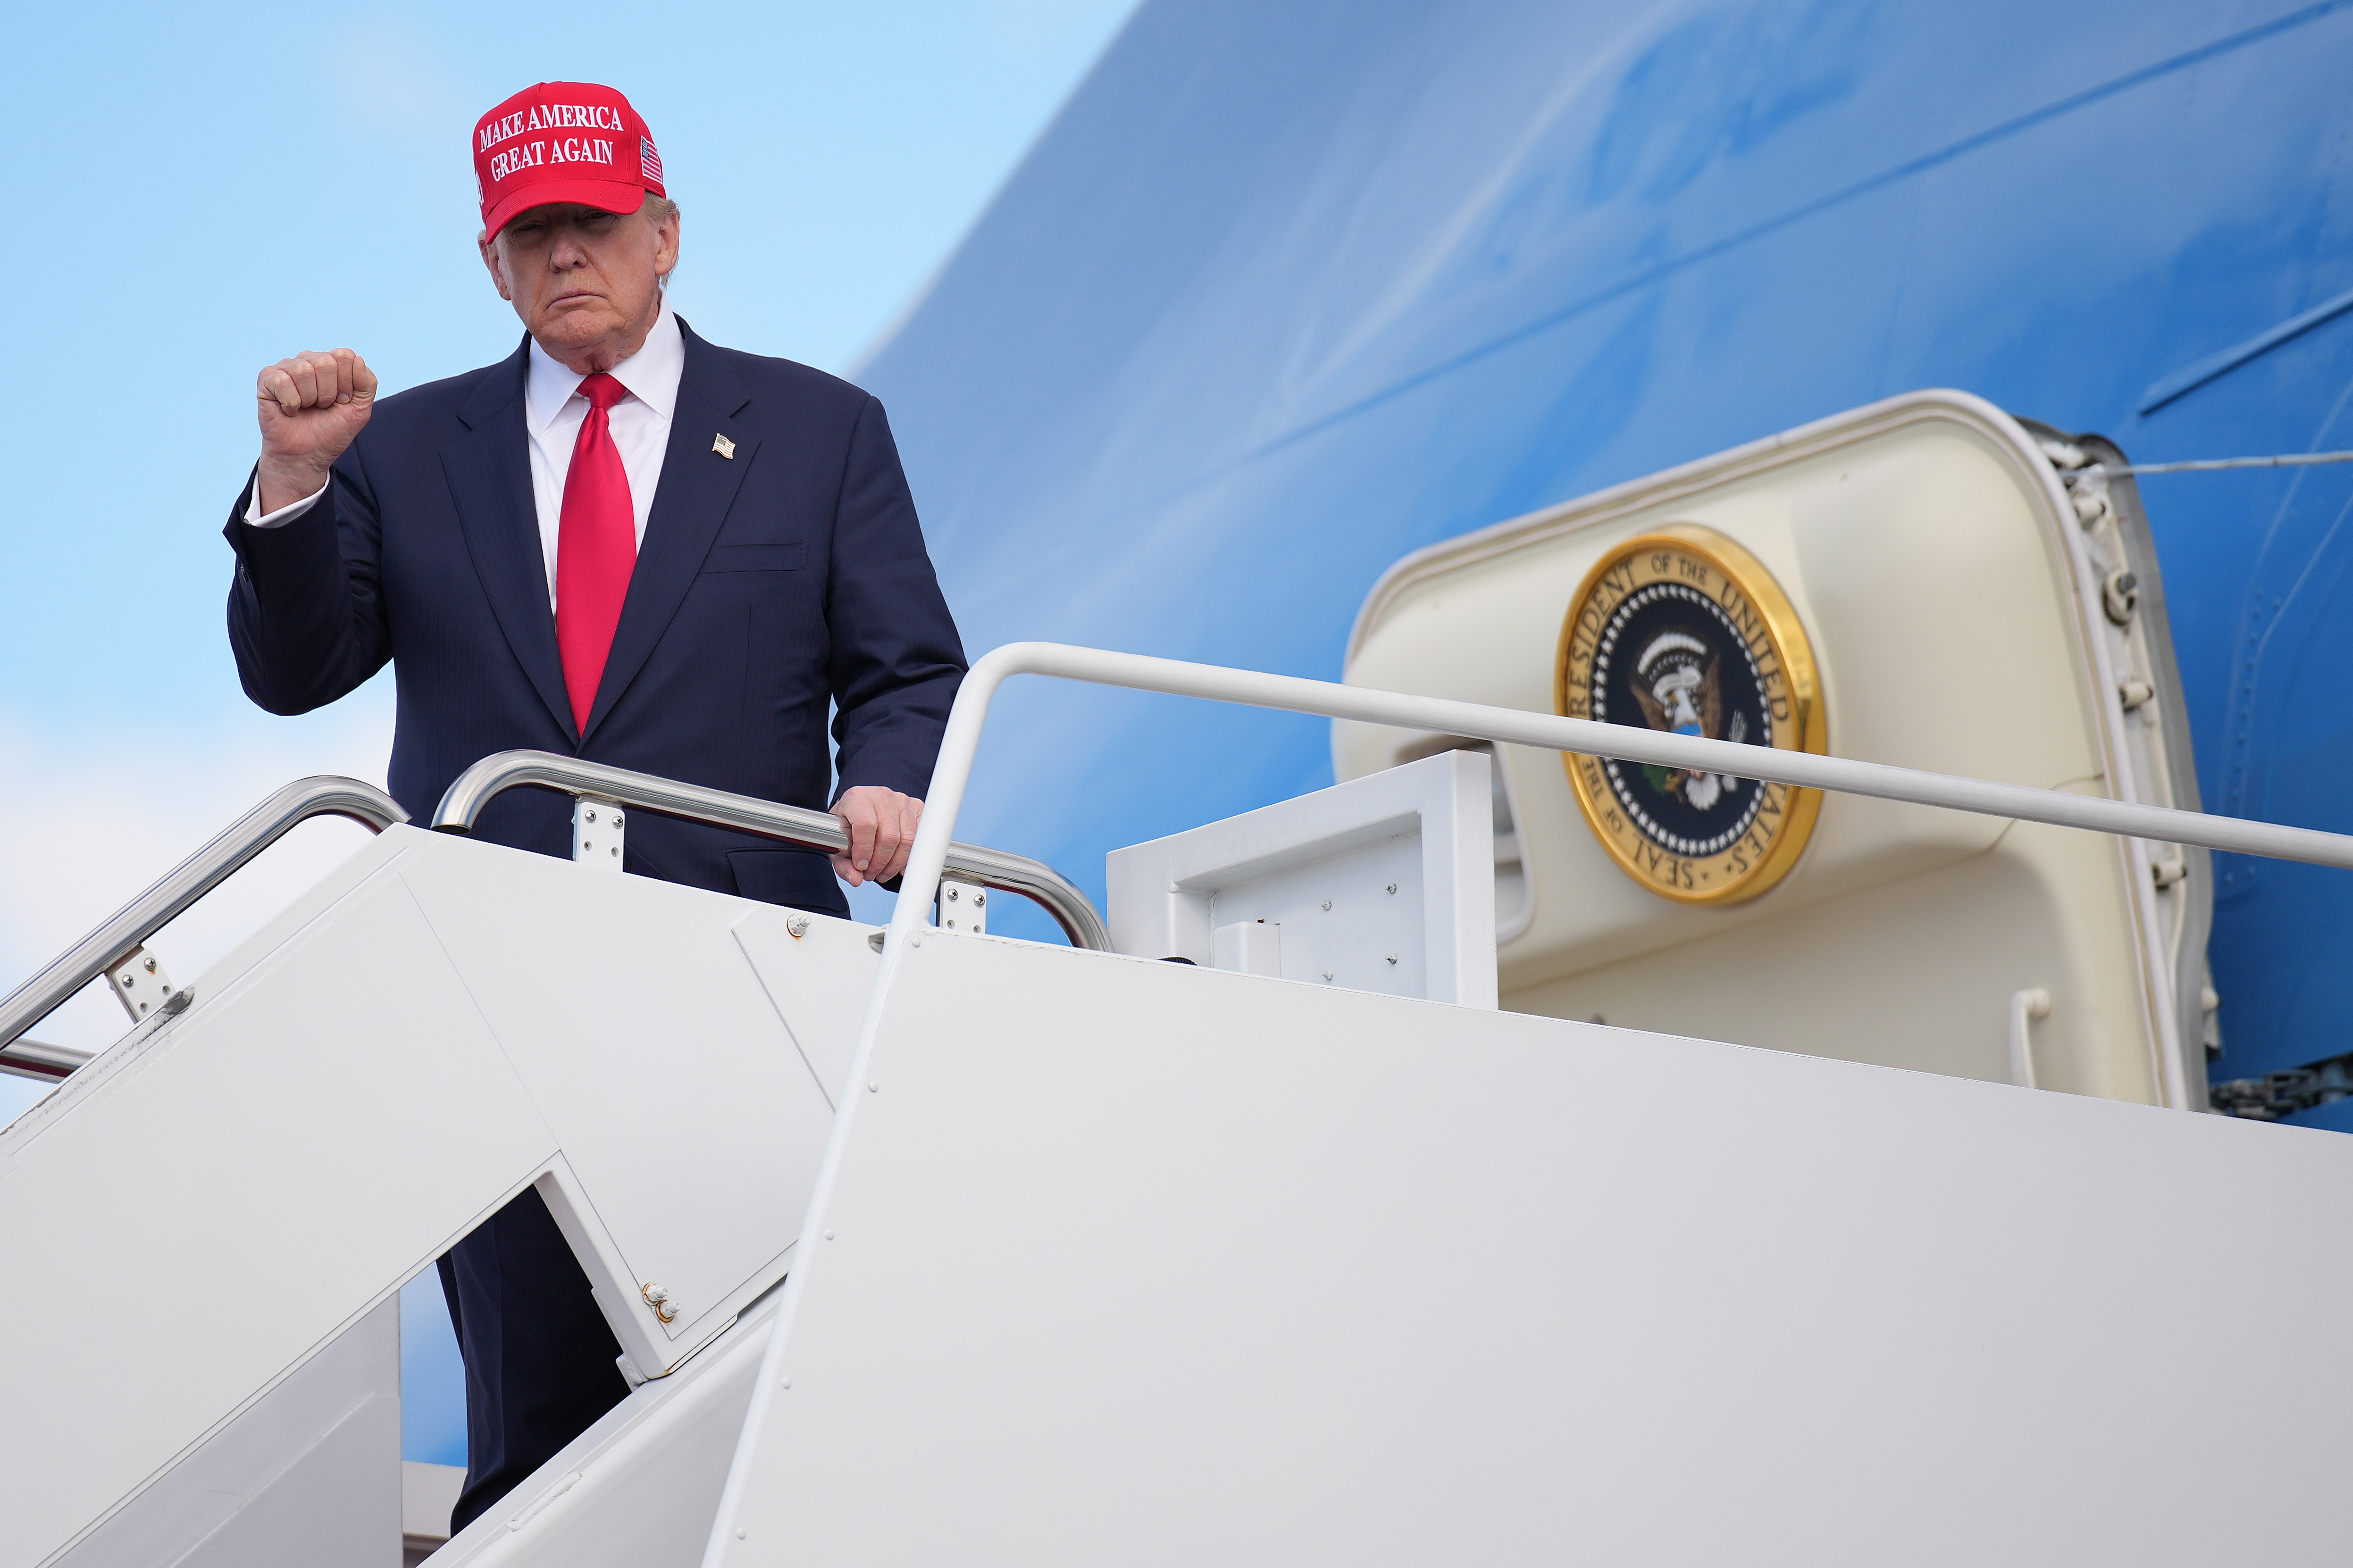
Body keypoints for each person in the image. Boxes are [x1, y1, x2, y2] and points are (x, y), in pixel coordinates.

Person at [222, 80, 966, 1532]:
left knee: (771, 1405)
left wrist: (888, 774)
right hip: (494, 1004)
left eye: (597, 223)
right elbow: (293, 673)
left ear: (665, 232)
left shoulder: (823, 432)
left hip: (749, 983)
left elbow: (909, 669)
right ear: (492, 263)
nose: (569, 255)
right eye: (533, 231)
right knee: (535, 1440)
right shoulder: (400, 448)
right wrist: (296, 483)